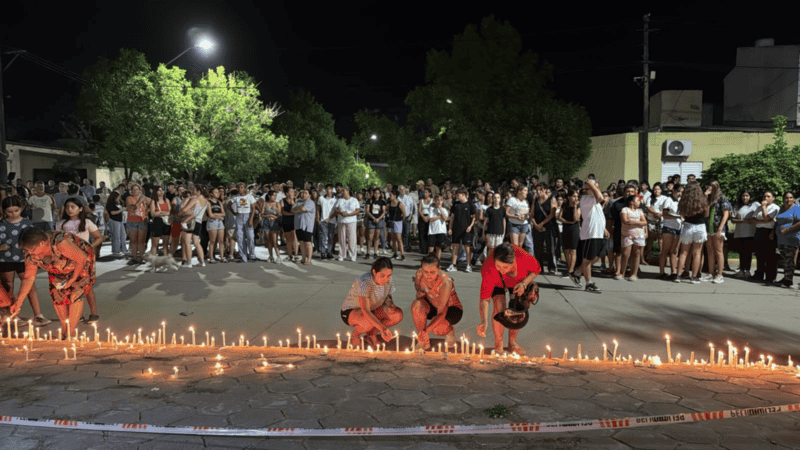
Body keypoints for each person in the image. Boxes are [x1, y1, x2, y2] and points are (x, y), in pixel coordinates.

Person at [13, 228, 96, 340]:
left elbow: (81, 258)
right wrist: (19, 301)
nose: (29, 253)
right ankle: (65, 329)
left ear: (42, 243)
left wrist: (73, 279)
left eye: (31, 249)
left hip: (80, 260)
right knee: (56, 293)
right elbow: (28, 277)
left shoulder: (60, 243)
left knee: (75, 292)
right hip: (57, 267)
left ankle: (69, 334)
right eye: (26, 250)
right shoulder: (30, 252)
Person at [477, 243, 540, 355]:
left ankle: (513, 343)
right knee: (499, 308)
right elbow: (484, 299)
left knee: (516, 311)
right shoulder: (489, 268)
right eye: (498, 266)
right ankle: (498, 345)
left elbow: (536, 270)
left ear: (514, 261)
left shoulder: (523, 257)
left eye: (505, 267)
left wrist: (524, 284)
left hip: (518, 282)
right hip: (497, 282)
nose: (502, 270)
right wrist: (484, 321)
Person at [0, 197, 50, 326]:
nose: (13, 214)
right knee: (8, 286)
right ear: (4, 211)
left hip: (25, 258)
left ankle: (38, 315)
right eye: (9, 211)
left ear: (21, 209)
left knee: (29, 286)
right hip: (5, 259)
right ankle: (12, 315)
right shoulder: (2, 225)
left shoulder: (27, 223)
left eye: (16, 210)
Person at [340, 257, 403, 349]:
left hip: (373, 309)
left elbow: (388, 297)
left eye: (389, 275)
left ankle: (371, 335)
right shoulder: (364, 282)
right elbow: (365, 310)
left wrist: (390, 305)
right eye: (382, 276)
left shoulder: (388, 280)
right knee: (368, 320)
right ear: (374, 272)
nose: (386, 279)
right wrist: (382, 328)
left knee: (396, 314)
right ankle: (355, 335)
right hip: (351, 311)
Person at [410, 254, 463, 350]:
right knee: (416, 305)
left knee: (437, 329)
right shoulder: (419, 273)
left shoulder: (445, 282)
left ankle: (449, 330)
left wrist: (427, 330)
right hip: (432, 303)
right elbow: (418, 288)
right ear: (421, 269)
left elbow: (442, 313)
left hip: (451, 309)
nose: (428, 275)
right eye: (426, 272)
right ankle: (423, 341)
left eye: (432, 272)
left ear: (438, 268)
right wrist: (419, 293)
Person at [574, 179, 608, 292]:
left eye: (597, 187)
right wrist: (591, 186)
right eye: (592, 187)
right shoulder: (585, 199)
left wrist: (604, 228)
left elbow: (598, 216)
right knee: (587, 259)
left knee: (597, 257)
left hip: (599, 232)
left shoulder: (594, 201)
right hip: (590, 233)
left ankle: (577, 272)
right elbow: (600, 197)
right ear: (586, 190)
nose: (596, 189)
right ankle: (588, 283)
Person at [675, 183, 708, 284]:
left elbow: (681, 213)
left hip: (688, 226)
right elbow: (706, 214)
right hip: (700, 226)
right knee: (697, 253)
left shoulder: (684, 200)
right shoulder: (703, 200)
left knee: (683, 252)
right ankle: (694, 277)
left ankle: (678, 275)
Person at [702, 181, 732, 284]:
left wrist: (720, 229)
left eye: (711, 187)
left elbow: (726, 214)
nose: (709, 188)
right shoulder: (710, 199)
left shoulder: (722, 198)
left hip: (718, 228)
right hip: (709, 228)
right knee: (710, 252)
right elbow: (706, 214)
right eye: (708, 186)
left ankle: (719, 275)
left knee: (719, 252)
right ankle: (710, 274)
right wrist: (705, 197)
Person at [751, 191, 780, 283]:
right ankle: (759, 274)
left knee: (770, 255)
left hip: (769, 232)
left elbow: (768, 218)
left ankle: (770, 276)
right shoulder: (759, 207)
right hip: (759, 231)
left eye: (768, 196)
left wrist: (764, 207)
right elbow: (752, 219)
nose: (765, 198)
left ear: (773, 198)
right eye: (764, 196)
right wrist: (763, 220)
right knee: (759, 254)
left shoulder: (775, 207)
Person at [730, 190, 758, 279]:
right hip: (739, 233)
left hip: (750, 233)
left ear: (750, 197)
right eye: (743, 196)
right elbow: (733, 219)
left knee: (748, 253)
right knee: (741, 253)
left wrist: (750, 220)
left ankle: (748, 271)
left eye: (747, 196)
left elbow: (756, 218)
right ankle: (741, 270)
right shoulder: (737, 206)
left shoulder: (755, 205)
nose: (745, 198)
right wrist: (743, 221)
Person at [618, 195, 647, 281]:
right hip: (627, 235)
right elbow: (625, 221)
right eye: (638, 200)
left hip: (639, 235)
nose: (639, 202)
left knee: (637, 253)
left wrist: (634, 222)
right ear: (632, 202)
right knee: (626, 254)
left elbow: (644, 222)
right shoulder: (625, 210)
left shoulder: (640, 211)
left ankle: (634, 274)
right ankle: (621, 273)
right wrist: (639, 223)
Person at [447, 188, 476, 272]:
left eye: (458, 195)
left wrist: (470, 226)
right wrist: (450, 228)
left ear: (463, 194)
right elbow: (452, 217)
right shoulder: (455, 204)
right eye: (456, 195)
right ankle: (453, 265)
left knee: (467, 247)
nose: (456, 196)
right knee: (455, 246)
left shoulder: (470, 204)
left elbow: (474, 217)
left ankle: (468, 265)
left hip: (466, 229)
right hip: (456, 228)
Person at [774, 193, 800, 288]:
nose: (788, 199)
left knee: (790, 259)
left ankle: (788, 280)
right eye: (786, 198)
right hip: (781, 238)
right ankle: (786, 277)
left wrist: (787, 229)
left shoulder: (796, 208)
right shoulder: (782, 209)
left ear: (793, 199)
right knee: (785, 259)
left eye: (791, 197)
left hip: (792, 238)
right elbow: (777, 222)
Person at [179, 186, 208, 267]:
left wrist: (180, 213)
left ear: (198, 191)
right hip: (199, 222)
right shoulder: (205, 201)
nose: (193, 191)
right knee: (197, 242)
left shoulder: (194, 200)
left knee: (187, 242)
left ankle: (189, 263)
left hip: (190, 221)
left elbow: (184, 210)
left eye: (194, 190)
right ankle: (202, 262)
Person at [228, 182, 257, 263]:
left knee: (250, 237)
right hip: (239, 217)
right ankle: (243, 255)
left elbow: (254, 208)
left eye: (241, 187)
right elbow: (228, 205)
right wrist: (234, 213)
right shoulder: (236, 197)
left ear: (245, 188)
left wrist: (251, 219)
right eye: (239, 187)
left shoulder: (249, 197)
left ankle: (252, 255)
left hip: (248, 216)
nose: (240, 189)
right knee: (240, 237)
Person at [659, 185, 683, 281]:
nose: (680, 194)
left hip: (678, 228)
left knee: (674, 251)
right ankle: (661, 272)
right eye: (678, 191)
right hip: (668, 227)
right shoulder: (668, 200)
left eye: (681, 192)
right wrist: (677, 217)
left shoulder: (681, 201)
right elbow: (665, 215)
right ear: (673, 191)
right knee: (665, 250)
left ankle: (673, 272)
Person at [557, 188, 581, 279]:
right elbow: (559, 217)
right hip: (566, 227)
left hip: (574, 229)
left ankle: (571, 270)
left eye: (577, 196)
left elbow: (576, 218)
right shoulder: (565, 204)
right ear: (569, 197)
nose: (575, 198)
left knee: (573, 250)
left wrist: (575, 206)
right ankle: (568, 269)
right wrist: (567, 222)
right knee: (566, 249)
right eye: (574, 196)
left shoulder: (578, 206)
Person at [125, 184, 150, 264]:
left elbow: (153, 202)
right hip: (132, 221)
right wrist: (140, 200)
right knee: (134, 241)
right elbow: (133, 207)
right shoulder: (129, 198)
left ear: (140, 190)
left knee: (141, 241)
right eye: (134, 189)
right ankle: (134, 257)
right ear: (131, 191)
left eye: (137, 189)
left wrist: (147, 210)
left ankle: (142, 257)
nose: (135, 191)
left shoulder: (144, 198)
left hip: (142, 221)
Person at [335, 187, 360, 261]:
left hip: (351, 221)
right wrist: (341, 213)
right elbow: (335, 209)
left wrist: (349, 214)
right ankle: (341, 255)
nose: (342, 192)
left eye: (344, 191)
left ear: (348, 191)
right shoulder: (340, 200)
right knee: (342, 239)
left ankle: (352, 255)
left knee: (352, 238)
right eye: (342, 191)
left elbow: (357, 210)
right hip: (342, 221)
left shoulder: (354, 200)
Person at [292, 189, 316, 265]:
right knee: (301, 242)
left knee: (308, 243)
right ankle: (303, 258)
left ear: (309, 195)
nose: (303, 194)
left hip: (307, 225)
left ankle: (309, 259)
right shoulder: (298, 202)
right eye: (302, 193)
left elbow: (303, 208)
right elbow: (292, 210)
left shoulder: (311, 202)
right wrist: (300, 208)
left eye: (306, 193)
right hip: (298, 225)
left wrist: (299, 208)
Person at [259, 190, 281, 263]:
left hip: (274, 222)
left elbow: (279, 214)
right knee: (268, 240)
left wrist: (276, 210)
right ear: (269, 196)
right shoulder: (265, 203)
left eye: (275, 196)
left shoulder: (277, 204)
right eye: (273, 195)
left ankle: (278, 256)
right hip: (266, 222)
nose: (274, 197)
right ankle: (270, 256)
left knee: (275, 241)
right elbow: (261, 214)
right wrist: (269, 215)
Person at [148, 186, 171, 257]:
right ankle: (153, 260)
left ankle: (166, 258)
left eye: (162, 190)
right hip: (157, 222)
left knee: (165, 243)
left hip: (166, 222)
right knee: (155, 243)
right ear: (156, 192)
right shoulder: (153, 201)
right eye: (159, 190)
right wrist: (163, 212)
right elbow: (152, 213)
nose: (161, 192)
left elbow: (170, 212)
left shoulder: (166, 200)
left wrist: (161, 212)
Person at [206, 187, 227, 263]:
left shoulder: (219, 202)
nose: (218, 194)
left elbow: (224, 214)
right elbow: (210, 215)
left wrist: (216, 214)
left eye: (218, 192)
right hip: (212, 222)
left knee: (221, 241)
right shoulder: (208, 202)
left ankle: (222, 257)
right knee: (212, 241)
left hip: (219, 222)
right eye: (216, 192)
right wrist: (218, 215)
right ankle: (211, 257)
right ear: (211, 194)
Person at [365, 188, 386, 259]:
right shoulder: (370, 201)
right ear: (373, 193)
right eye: (375, 193)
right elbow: (367, 211)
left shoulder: (382, 202)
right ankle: (367, 252)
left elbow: (384, 211)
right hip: (371, 220)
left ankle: (375, 252)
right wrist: (374, 218)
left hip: (379, 220)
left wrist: (378, 219)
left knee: (377, 237)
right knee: (370, 237)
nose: (377, 194)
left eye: (378, 193)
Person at [386, 189, 406, 261]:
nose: (390, 196)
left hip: (398, 222)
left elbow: (404, 214)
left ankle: (402, 254)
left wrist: (400, 220)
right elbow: (388, 212)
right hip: (391, 222)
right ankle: (395, 254)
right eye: (389, 195)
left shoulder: (400, 204)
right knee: (393, 239)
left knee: (399, 239)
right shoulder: (389, 205)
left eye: (391, 195)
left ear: (395, 196)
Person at [426, 194, 448, 259]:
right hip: (432, 231)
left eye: (441, 200)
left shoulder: (444, 209)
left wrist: (440, 208)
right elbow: (430, 219)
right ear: (434, 201)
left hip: (441, 231)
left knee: (439, 248)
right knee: (431, 248)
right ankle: (430, 261)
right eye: (437, 200)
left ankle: (437, 262)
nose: (439, 202)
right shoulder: (431, 209)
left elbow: (445, 218)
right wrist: (439, 216)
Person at [280, 187, 298, 262]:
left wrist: (293, 201)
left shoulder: (296, 200)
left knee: (294, 238)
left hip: (294, 221)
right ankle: (290, 255)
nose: (293, 193)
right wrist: (292, 213)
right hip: (286, 221)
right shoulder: (282, 201)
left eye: (293, 191)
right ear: (287, 193)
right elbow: (282, 212)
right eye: (291, 192)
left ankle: (296, 255)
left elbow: (296, 210)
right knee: (288, 239)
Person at [418, 188, 433, 254]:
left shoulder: (432, 201)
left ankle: (429, 248)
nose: (425, 194)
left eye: (426, 192)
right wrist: (423, 217)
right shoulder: (421, 200)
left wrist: (428, 216)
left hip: (430, 217)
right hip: (422, 216)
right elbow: (419, 210)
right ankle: (423, 248)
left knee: (429, 233)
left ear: (429, 193)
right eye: (424, 192)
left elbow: (433, 209)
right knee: (422, 233)